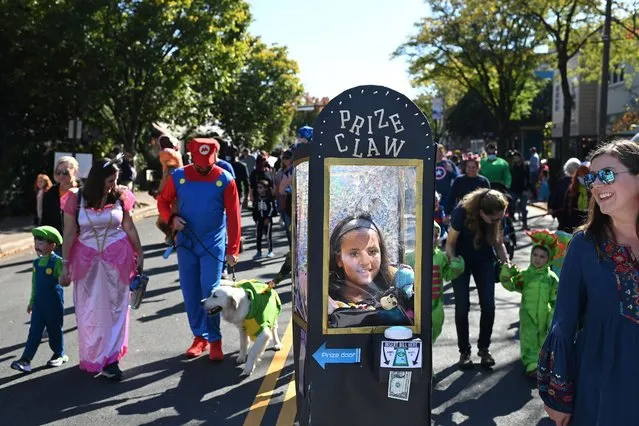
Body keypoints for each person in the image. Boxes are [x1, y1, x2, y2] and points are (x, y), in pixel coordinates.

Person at [538, 139, 639, 426]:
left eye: (606, 174)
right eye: (591, 178)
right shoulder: (584, 245)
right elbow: (563, 323)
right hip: (601, 387)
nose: (595, 184)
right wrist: (559, 397)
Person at [156, 138, 241, 361]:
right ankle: (199, 337)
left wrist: (233, 248)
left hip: (212, 244)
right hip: (186, 243)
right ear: (191, 156)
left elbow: (233, 216)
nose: (204, 166)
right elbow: (162, 202)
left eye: (208, 162)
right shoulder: (179, 176)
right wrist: (171, 219)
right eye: (200, 162)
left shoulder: (225, 179)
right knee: (190, 292)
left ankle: (214, 339)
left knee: (210, 291)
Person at [60, 158, 143, 381]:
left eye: (115, 180)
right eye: (109, 180)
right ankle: (94, 354)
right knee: (90, 310)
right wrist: (65, 264)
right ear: (98, 179)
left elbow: (128, 226)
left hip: (117, 258)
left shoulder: (120, 195)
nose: (113, 184)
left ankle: (111, 360)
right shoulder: (75, 199)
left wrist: (140, 253)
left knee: (116, 309)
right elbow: (69, 234)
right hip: (86, 261)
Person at [446, 188, 510, 369]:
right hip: (461, 260)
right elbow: (450, 244)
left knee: (489, 305)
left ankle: (484, 349)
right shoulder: (461, 212)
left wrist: (507, 263)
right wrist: (453, 262)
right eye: (494, 219)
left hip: (484, 260)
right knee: (462, 307)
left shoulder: (497, 214)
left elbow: (499, 243)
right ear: (481, 212)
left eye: (500, 217)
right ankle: (464, 352)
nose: (498, 221)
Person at [327, 214, 414, 328]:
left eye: (372, 252)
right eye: (354, 253)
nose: (365, 262)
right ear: (339, 259)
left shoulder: (400, 290)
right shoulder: (326, 297)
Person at [499, 229, 558, 377]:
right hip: (527, 314)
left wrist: (553, 314)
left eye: (542, 256)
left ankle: (542, 363)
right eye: (535, 255)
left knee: (543, 339)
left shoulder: (552, 278)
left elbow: (555, 298)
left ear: (548, 259)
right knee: (529, 338)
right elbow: (511, 285)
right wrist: (507, 274)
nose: (538, 259)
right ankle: (531, 363)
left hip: (545, 315)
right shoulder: (525, 275)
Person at [10, 226, 68, 373]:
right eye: (35, 241)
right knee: (34, 331)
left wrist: (66, 271)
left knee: (55, 330)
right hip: (38, 305)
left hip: (53, 303)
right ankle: (26, 360)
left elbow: (64, 279)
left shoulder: (57, 262)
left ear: (52, 245)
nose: (37, 245)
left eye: (41, 242)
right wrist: (31, 301)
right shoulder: (36, 263)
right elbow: (34, 283)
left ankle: (59, 354)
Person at [432, 221, 465, 343]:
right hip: (416, 303)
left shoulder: (441, 257)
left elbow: (447, 274)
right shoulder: (412, 256)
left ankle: (430, 344)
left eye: (436, 236)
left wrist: (457, 266)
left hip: (436, 304)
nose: (433, 239)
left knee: (436, 325)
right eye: (430, 235)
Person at [41, 156, 80, 243]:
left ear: (75, 171)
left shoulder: (83, 192)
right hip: (56, 241)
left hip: (79, 242)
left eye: (65, 172)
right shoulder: (50, 193)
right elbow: (45, 219)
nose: (61, 175)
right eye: (58, 172)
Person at [556, 165, 590, 233]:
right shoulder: (572, 190)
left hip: (588, 222)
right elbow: (565, 210)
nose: (582, 178)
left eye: (585, 176)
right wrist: (561, 228)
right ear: (577, 176)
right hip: (573, 221)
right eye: (581, 176)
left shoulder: (593, 190)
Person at [547, 157, 581, 222]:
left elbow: (553, 197)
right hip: (573, 216)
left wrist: (550, 208)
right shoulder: (581, 184)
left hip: (564, 216)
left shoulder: (560, 183)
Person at [253, 179, 277, 259]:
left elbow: (272, 209)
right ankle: (259, 251)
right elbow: (255, 209)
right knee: (258, 236)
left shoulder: (269, 198)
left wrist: (268, 218)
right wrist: (255, 218)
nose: (258, 189)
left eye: (260, 187)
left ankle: (270, 251)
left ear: (266, 188)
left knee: (268, 236)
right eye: (258, 188)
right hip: (259, 220)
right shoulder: (257, 199)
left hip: (267, 220)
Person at [509, 151, 532, 229]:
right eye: (514, 157)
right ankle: (510, 223)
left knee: (523, 208)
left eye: (517, 157)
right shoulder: (511, 166)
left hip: (523, 190)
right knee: (511, 206)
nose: (515, 159)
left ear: (520, 158)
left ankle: (524, 224)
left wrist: (529, 189)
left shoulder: (525, 166)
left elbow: (528, 178)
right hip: (513, 190)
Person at [435, 144, 458, 209]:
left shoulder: (448, 163)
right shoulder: (430, 164)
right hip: (434, 197)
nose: (438, 154)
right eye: (436, 152)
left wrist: (451, 171)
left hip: (447, 196)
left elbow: (457, 178)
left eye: (439, 152)